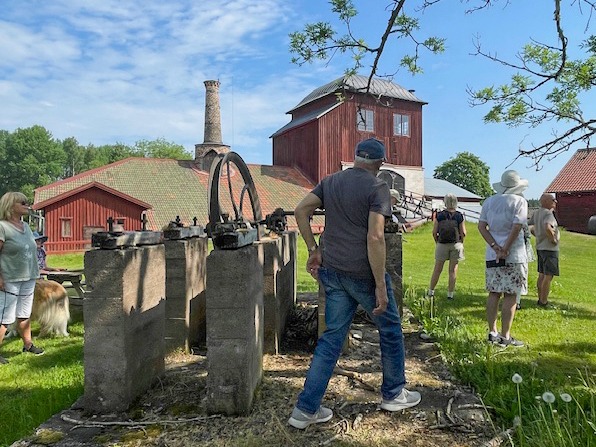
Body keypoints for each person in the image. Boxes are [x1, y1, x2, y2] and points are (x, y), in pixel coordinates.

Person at [288, 138, 421, 430]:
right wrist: (380, 285)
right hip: (362, 273)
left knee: (331, 340)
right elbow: (375, 237)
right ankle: (394, 393)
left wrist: (314, 249)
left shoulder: (331, 181)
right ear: (380, 163)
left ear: (356, 158)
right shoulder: (378, 187)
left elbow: (300, 211)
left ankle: (305, 410)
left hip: (333, 272)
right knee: (390, 329)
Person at [478, 170, 528, 348]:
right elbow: (516, 226)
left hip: (493, 254)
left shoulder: (490, 201)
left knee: (494, 292)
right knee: (511, 294)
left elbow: (482, 226)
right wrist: (505, 248)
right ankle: (505, 336)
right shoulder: (520, 201)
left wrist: (495, 246)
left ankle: (492, 332)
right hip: (513, 254)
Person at [0, 192, 44, 364]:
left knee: (24, 314)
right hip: (10, 278)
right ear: (11, 206)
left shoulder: (25, 226)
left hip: (28, 277)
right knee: (5, 317)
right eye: (23, 203)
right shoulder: (3, 227)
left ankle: (28, 344)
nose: (28, 205)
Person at [428, 193, 466, 300]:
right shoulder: (459, 216)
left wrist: (437, 242)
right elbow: (463, 232)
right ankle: (450, 294)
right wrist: (461, 242)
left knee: (437, 269)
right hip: (456, 244)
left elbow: (434, 232)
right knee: (452, 270)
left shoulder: (440, 215)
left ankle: (431, 291)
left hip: (442, 244)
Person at [531, 193, 560, 307]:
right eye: (553, 200)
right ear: (546, 201)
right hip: (549, 249)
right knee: (549, 275)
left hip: (540, 247)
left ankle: (540, 298)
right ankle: (543, 301)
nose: (555, 202)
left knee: (542, 274)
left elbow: (531, 227)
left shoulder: (537, 213)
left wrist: (537, 235)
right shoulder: (548, 214)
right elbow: (548, 227)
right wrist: (553, 239)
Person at [515, 223, 535, 310]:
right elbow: (527, 234)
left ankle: (516, 301)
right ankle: (516, 302)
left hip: (519, 252)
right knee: (519, 278)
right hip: (519, 253)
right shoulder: (520, 220)